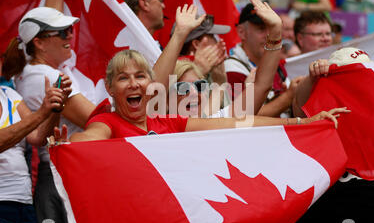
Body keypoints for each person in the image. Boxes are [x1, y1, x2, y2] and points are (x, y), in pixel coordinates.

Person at [51, 48, 347, 143]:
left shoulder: (171, 123)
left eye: (140, 76)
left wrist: (303, 124)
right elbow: (88, 139)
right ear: (110, 88)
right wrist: (70, 147)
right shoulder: (108, 121)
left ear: (151, 85)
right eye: (123, 78)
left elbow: (241, 123)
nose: (133, 84)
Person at [269, 47, 374, 223]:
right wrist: (313, 77)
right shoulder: (319, 112)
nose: (358, 84)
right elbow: (300, 106)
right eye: (349, 76)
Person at [2, 4, 96, 223]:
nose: (70, 36)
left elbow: (36, 136)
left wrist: (53, 110)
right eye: (61, 32)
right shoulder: (38, 74)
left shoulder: (15, 89)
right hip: (49, 180)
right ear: (39, 43)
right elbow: (94, 118)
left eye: (70, 30)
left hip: (32, 193)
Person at [0, 68, 71, 223]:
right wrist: (41, 112)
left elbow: (38, 137)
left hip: (23, 201)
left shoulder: (9, 94)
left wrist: (55, 108)